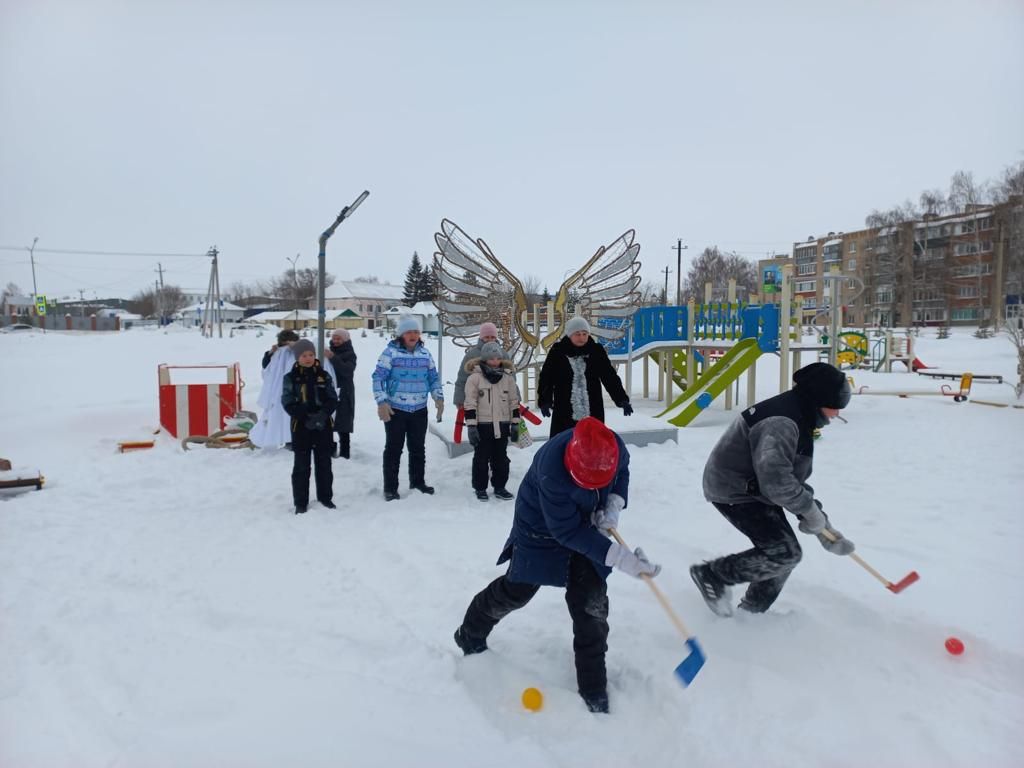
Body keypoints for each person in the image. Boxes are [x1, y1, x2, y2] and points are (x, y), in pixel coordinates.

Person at [453, 417, 660, 714]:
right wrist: (618, 557)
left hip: (587, 523)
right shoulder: (552, 468)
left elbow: (622, 472)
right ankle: (470, 633)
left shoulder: (613, 446)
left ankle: (593, 688)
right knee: (518, 590)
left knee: (590, 602)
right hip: (541, 527)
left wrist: (612, 504)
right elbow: (567, 532)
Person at [690, 362, 855, 616]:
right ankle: (713, 574)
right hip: (734, 488)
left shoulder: (799, 413)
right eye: (835, 406)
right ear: (817, 399)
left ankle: (752, 612)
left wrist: (824, 527)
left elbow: (791, 478)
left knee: (783, 553)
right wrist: (811, 514)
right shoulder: (782, 422)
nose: (836, 414)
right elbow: (778, 483)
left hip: (756, 489)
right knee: (784, 553)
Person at [372, 315, 444, 501]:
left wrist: (439, 398)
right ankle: (390, 488)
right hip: (396, 409)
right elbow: (378, 378)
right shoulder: (390, 353)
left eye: (416, 331)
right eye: (409, 331)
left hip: (419, 409)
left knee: (418, 448)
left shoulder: (425, 354)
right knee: (394, 449)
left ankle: (418, 482)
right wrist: (382, 402)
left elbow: (433, 378)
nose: (413, 335)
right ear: (401, 334)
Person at [537, 316, 632, 437]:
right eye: (577, 334)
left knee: (592, 442)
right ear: (569, 335)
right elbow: (547, 378)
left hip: (592, 407)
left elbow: (609, 376)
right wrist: (545, 401)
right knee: (564, 442)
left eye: (584, 334)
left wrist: (621, 399)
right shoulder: (558, 351)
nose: (582, 338)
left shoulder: (596, 351)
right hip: (565, 407)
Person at [281, 339, 338, 514]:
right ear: (298, 357)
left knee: (324, 464)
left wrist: (322, 414)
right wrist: (304, 416)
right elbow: (287, 401)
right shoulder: (290, 378)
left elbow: (332, 398)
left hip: (323, 426)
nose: (308, 358)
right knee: (301, 466)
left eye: (311, 355)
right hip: (301, 426)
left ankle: (325, 497)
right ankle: (300, 502)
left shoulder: (323, 375)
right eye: (304, 355)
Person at [464, 341, 520, 501]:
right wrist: (471, 426)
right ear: (484, 359)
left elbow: (513, 401)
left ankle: (500, 486)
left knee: (501, 459)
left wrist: (515, 423)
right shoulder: (475, 378)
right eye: (491, 359)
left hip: (502, 426)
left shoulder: (507, 378)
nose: (495, 361)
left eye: (497, 358)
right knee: (481, 459)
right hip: (483, 426)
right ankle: (480, 488)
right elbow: (470, 403)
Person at [454, 322, 510, 408]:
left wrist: (515, 399)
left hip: (499, 400)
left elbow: (511, 378)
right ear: (481, 337)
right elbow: (462, 379)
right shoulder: (472, 355)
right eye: (487, 337)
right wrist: (460, 400)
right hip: (477, 400)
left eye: (492, 337)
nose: (490, 339)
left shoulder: (503, 354)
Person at [325, 328, 357, 459]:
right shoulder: (328, 351)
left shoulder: (350, 354)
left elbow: (347, 370)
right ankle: (330, 449)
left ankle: (345, 452)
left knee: (343, 423)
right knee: (328, 421)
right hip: (330, 391)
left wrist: (333, 358)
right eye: (334, 338)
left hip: (345, 391)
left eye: (339, 338)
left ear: (345, 340)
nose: (336, 341)